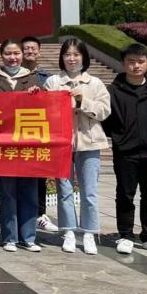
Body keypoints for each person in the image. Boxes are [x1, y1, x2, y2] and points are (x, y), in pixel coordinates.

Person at [102, 44, 147, 255]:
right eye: (131, 61)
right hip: (126, 152)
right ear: (123, 63)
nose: (136, 66)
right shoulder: (113, 90)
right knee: (125, 195)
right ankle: (125, 235)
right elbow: (105, 120)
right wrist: (119, 138)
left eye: (140, 62)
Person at [44, 38, 111, 255]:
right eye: (67, 55)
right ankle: (68, 231)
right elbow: (45, 110)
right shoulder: (53, 82)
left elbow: (104, 111)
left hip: (89, 142)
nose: (71, 59)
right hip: (62, 144)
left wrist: (83, 102)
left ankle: (89, 232)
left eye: (76, 54)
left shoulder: (95, 83)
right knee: (64, 190)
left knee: (89, 191)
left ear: (84, 57)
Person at [0, 39, 43, 253]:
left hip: (27, 143)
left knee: (29, 191)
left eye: (16, 53)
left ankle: (28, 237)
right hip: (3, 144)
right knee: (7, 192)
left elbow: (45, 109)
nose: (13, 58)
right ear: (1, 55)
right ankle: (9, 237)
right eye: (8, 54)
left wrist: (39, 96)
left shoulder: (33, 79)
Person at [21, 35, 59, 234]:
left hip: (39, 130)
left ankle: (40, 214)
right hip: (17, 131)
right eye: (26, 48)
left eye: (33, 48)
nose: (30, 51)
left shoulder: (48, 78)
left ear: (39, 51)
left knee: (40, 174)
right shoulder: (14, 75)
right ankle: (22, 213)